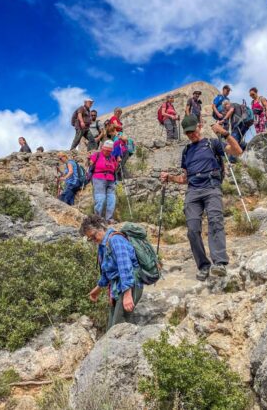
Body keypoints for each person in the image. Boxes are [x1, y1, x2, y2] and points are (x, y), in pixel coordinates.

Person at [159, 115, 242, 281]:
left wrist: (224, 133)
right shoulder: (187, 151)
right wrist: (169, 177)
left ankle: (219, 263)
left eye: (193, 131)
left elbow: (237, 151)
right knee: (192, 229)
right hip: (193, 191)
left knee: (215, 221)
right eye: (188, 133)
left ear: (200, 126)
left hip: (212, 187)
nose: (191, 135)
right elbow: (184, 179)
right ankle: (203, 266)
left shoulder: (213, 143)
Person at [82, 215, 143, 331]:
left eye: (94, 236)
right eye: (90, 239)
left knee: (119, 327)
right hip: (118, 287)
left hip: (130, 285)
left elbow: (125, 266)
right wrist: (98, 289)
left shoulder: (115, 240)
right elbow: (107, 272)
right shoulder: (102, 245)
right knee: (112, 327)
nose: (94, 240)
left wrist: (127, 294)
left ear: (101, 227)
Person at [90, 140, 119, 223]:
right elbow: (90, 164)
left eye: (109, 151)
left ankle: (109, 218)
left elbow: (115, 169)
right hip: (99, 178)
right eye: (105, 150)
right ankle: (97, 218)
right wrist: (89, 161)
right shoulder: (97, 155)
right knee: (100, 198)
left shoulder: (112, 157)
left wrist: (117, 162)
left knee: (111, 199)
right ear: (102, 148)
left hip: (111, 179)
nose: (107, 152)